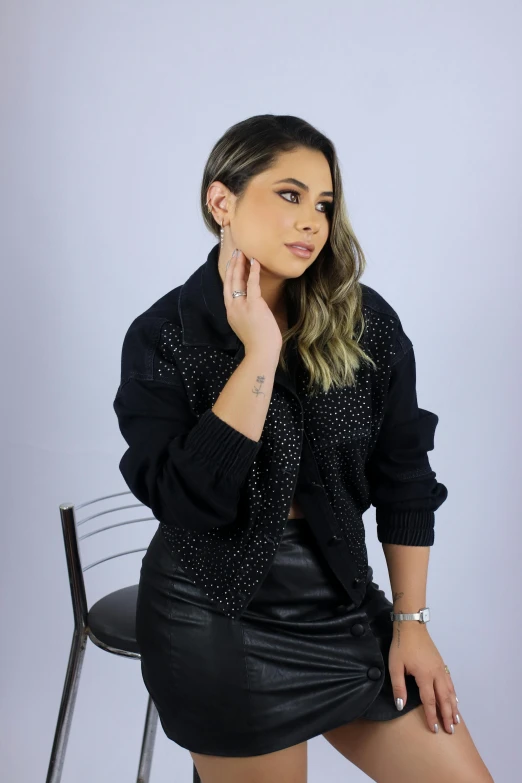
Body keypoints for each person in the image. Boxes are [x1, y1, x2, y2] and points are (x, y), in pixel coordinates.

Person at [113, 115, 494, 783]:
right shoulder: (164, 336)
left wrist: (412, 622)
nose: (313, 221)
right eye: (289, 195)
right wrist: (260, 350)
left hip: (340, 598)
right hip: (214, 613)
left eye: (323, 203)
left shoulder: (365, 322)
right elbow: (188, 500)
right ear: (221, 201)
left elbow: (404, 475)